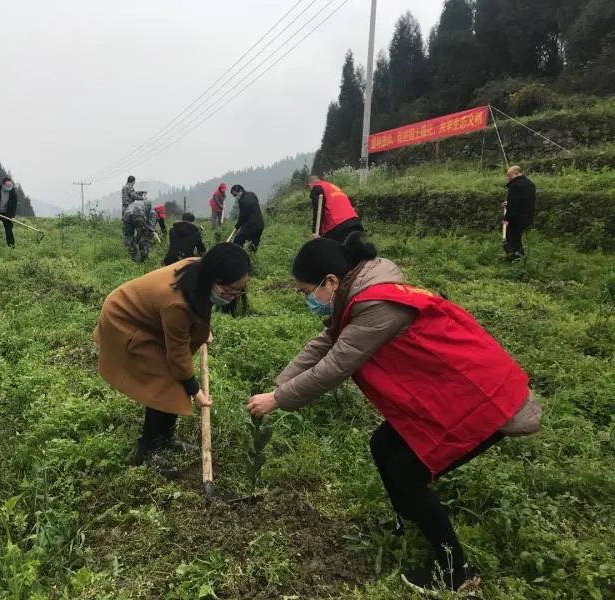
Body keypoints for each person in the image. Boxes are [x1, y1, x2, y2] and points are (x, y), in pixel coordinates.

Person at [246, 234, 542, 594]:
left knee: (406, 473)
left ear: (331, 282)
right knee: (383, 444)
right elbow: (324, 344)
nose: (305, 300)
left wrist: (277, 400)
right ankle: (410, 520)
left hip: (481, 398)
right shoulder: (358, 299)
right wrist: (279, 385)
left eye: (305, 291)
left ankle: (456, 572)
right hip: (453, 393)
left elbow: (335, 366)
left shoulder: (377, 306)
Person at [94, 243, 251, 476]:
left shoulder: (198, 271)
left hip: (150, 317)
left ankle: (166, 438)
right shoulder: (176, 302)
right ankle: (148, 449)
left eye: (239, 290)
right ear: (212, 278)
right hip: (124, 319)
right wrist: (194, 389)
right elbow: (178, 354)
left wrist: (202, 328)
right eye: (229, 290)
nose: (233, 296)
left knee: (172, 379)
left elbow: (197, 310)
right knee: (164, 381)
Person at [308, 175, 362, 242]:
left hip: (338, 225)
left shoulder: (316, 188)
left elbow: (318, 211)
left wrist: (315, 233)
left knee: (332, 250)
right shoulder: (333, 187)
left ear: (310, 185)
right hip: (355, 223)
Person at [502, 165, 536, 261]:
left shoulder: (515, 186)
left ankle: (517, 257)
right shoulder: (530, 184)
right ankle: (518, 257)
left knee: (511, 236)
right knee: (517, 236)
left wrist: (506, 219)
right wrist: (509, 203)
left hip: (516, 217)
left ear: (517, 173)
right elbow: (524, 200)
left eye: (510, 176)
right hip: (527, 215)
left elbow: (514, 205)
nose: (509, 179)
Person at [230, 184, 264, 250]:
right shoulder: (252, 194)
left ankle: (236, 257)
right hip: (260, 224)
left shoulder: (242, 201)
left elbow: (243, 216)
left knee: (238, 239)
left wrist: (237, 226)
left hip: (252, 225)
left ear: (240, 191)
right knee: (253, 244)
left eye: (235, 195)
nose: (235, 197)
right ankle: (252, 258)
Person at [123, 198, 157, 262]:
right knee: (146, 236)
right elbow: (151, 227)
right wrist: (151, 230)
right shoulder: (152, 211)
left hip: (126, 213)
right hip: (138, 212)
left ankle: (133, 257)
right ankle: (144, 258)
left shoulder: (141, 202)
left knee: (129, 236)